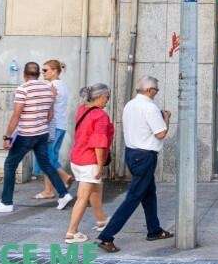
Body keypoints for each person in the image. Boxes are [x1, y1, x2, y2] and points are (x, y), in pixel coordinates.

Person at [97, 76, 174, 252]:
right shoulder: (150, 107)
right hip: (145, 156)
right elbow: (161, 133)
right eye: (156, 89)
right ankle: (107, 236)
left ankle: (154, 230)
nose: (157, 92)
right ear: (149, 90)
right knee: (133, 198)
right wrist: (166, 118)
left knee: (149, 193)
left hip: (132, 153)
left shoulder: (130, 105)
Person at [0, 62, 73, 213]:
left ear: (25, 74)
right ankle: (64, 194)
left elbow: (16, 114)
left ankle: (6, 203)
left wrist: (7, 136)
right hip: (42, 134)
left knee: (10, 165)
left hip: (26, 134)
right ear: (38, 74)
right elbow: (50, 114)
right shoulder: (48, 88)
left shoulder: (22, 89)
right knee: (46, 165)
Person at [64, 83, 114, 244]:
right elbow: (98, 143)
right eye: (107, 97)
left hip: (77, 157)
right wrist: (100, 166)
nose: (108, 100)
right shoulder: (100, 116)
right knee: (82, 198)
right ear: (100, 97)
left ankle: (101, 220)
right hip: (89, 161)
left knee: (96, 190)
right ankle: (72, 232)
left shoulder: (82, 109)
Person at [35, 59, 74, 200]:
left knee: (46, 157)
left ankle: (64, 177)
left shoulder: (52, 86)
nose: (42, 73)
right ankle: (48, 190)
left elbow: (46, 107)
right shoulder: (62, 85)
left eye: (45, 70)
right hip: (60, 126)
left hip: (52, 126)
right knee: (51, 156)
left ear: (55, 71)